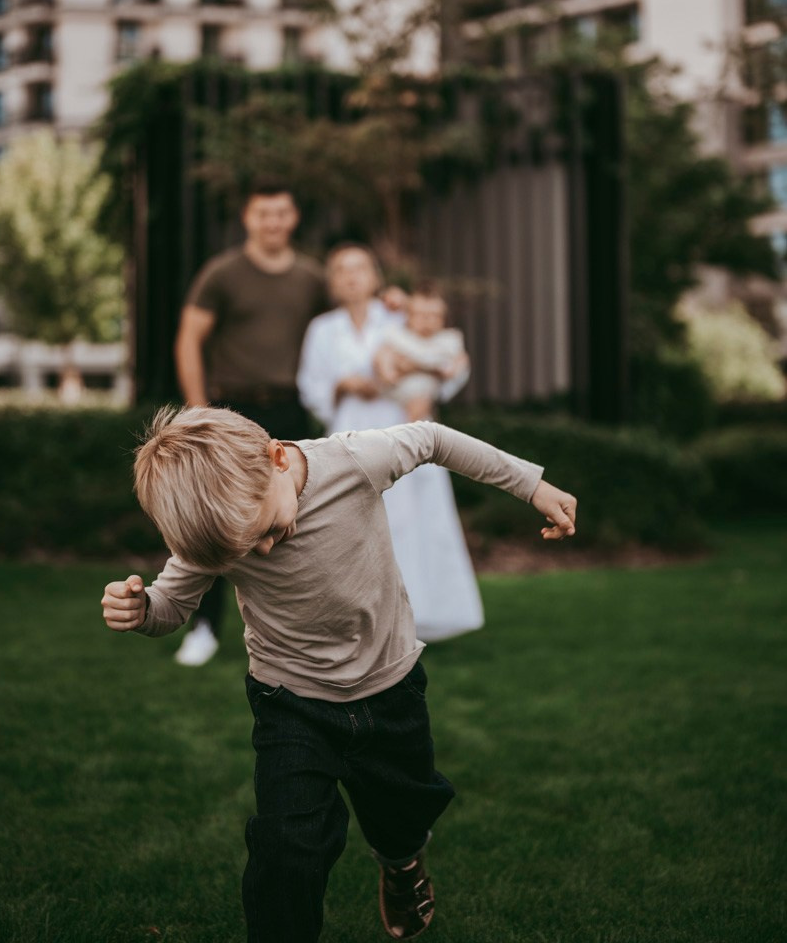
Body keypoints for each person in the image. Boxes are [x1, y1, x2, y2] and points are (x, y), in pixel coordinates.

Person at [101, 404, 577, 943]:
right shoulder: (219, 530)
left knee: (401, 817)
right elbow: (173, 606)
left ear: (277, 458)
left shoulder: (353, 462)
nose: (259, 551)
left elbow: (434, 438)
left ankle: (401, 866)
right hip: (290, 700)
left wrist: (531, 486)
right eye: (244, 549)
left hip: (388, 685)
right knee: (287, 845)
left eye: (265, 531)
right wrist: (143, 612)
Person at [172, 182, 327, 665]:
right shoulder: (222, 274)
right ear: (248, 218)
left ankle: (301, 634)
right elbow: (188, 340)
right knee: (216, 519)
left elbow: (344, 327)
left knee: (301, 520)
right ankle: (203, 629)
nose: (273, 222)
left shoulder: (311, 277)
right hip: (231, 412)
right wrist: (200, 412)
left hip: (290, 410)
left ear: (293, 217)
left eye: (282, 213)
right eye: (264, 214)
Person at [297, 244, 483, 641]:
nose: (351, 277)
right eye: (342, 270)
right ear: (332, 281)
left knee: (413, 519)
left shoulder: (402, 316)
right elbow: (310, 385)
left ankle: (421, 614)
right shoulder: (323, 329)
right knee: (356, 521)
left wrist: (423, 388)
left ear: (376, 276)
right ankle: (358, 618)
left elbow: (448, 359)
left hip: (402, 424)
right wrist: (344, 384)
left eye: (360, 268)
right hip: (350, 429)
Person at [374, 281, 469, 423]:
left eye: (434, 315)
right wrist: (387, 370)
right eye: (420, 315)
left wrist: (451, 369)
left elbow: (458, 364)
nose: (427, 321)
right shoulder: (399, 336)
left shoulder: (448, 339)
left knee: (421, 417)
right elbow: (383, 355)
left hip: (426, 393)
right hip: (399, 392)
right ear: (408, 316)